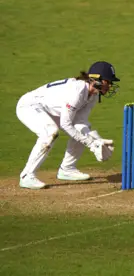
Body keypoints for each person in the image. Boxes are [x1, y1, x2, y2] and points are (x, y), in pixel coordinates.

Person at [16, 61, 119, 189]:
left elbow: (80, 123)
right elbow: (66, 124)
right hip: (30, 106)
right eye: (107, 82)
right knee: (50, 132)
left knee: (81, 129)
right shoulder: (77, 91)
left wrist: (96, 141)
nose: (109, 86)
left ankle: (67, 169)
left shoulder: (93, 95)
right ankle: (26, 176)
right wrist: (91, 144)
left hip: (51, 110)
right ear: (96, 79)